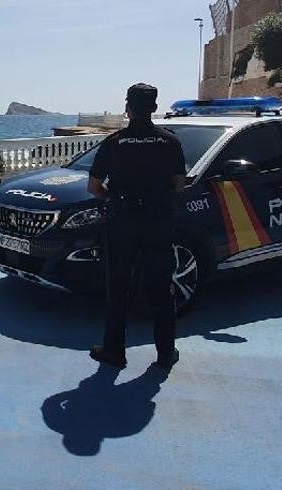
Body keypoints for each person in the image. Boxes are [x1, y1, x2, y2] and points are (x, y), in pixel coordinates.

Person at [86, 83, 186, 371]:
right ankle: (165, 353)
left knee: (118, 288)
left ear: (127, 108)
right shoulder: (170, 142)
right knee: (161, 288)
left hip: (123, 223)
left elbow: (94, 187)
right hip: (158, 222)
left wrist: (114, 200)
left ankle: (114, 351)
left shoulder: (115, 142)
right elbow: (179, 183)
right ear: (154, 108)